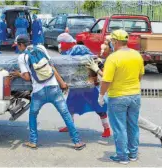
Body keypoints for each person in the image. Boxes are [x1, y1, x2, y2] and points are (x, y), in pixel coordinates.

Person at [10, 34, 86, 150]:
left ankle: (33, 141)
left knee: (33, 115)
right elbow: (52, 67)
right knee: (66, 114)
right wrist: (62, 84)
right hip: (54, 88)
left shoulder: (22, 57)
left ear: (21, 45)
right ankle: (77, 142)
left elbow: (26, 77)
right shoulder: (41, 48)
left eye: (18, 46)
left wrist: (18, 74)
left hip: (38, 92)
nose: (17, 48)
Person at [99, 29, 144, 164]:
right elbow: (140, 75)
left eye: (111, 41)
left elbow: (106, 80)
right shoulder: (137, 55)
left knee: (119, 127)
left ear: (116, 41)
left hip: (118, 97)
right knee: (133, 126)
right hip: (135, 96)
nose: (110, 43)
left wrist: (101, 95)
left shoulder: (113, 58)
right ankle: (133, 154)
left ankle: (122, 156)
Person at [57, 30, 111, 138]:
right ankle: (70, 125)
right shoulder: (83, 55)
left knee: (99, 107)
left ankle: (107, 128)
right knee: (70, 107)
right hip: (81, 85)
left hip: (87, 86)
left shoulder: (72, 55)